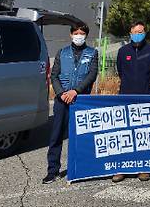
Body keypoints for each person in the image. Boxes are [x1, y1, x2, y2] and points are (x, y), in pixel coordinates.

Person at [43, 22, 97, 184]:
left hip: (81, 100)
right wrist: (62, 93)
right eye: (76, 33)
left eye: (82, 33)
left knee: (81, 136)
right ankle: (52, 170)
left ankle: (80, 168)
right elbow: (54, 75)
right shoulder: (62, 53)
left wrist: (76, 91)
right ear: (71, 34)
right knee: (56, 136)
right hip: (62, 100)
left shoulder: (92, 53)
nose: (79, 36)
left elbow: (91, 75)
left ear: (86, 35)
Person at [112, 21, 150, 183]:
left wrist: (145, 84)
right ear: (130, 33)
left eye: (141, 31)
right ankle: (122, 168)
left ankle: (143, 168)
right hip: (125, 96)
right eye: (135, 31)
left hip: (145, 97)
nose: (138, 33)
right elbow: (120, 71)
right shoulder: (123, 51)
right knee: (125, 133)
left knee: (143, 133)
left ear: (145, 32)